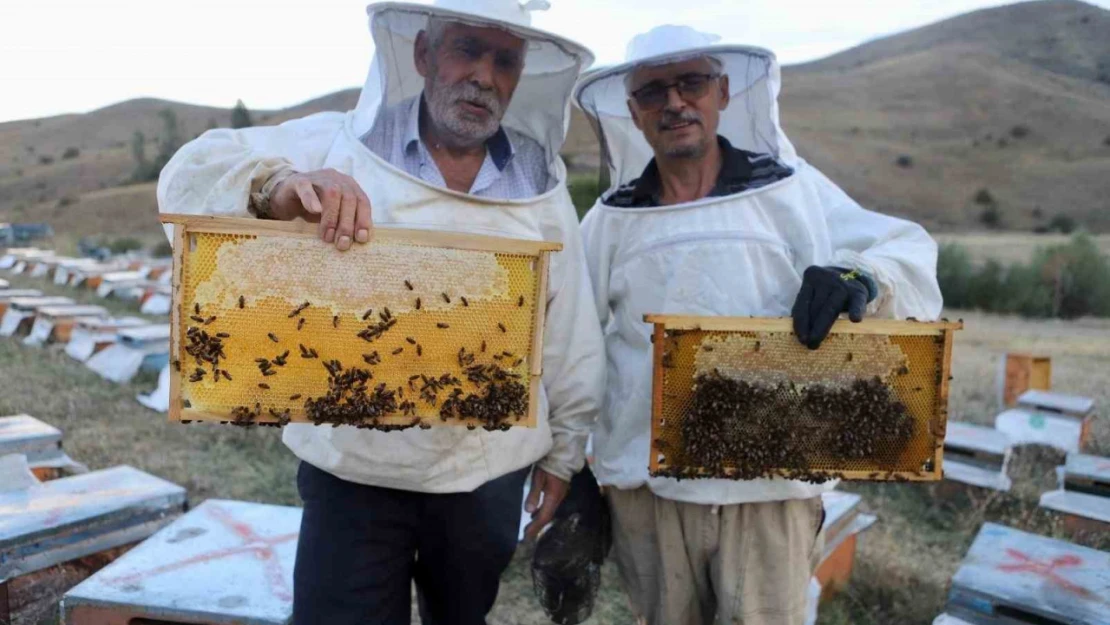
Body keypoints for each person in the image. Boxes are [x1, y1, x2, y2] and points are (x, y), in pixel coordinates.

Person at [157, 2, 603, 624]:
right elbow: (188, 173)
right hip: (352, 473)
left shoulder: (540, 180)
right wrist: (279, 186)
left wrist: (565, 452)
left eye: (504, 60)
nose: (483, 75)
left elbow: (569, 323)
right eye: (466, 49)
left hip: (485, 474)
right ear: (423, 55)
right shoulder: (337, 141)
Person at [577, 25, 943, 625]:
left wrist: (859, 276)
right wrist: (572, 468)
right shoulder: (610, 221)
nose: (674, 102)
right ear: (633, 112)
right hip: (648, 490)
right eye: (653, 92)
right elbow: (575, 344)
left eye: (691, 83)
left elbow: (905, 247)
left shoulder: (793, 191)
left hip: (775, 485)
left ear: (722, 92)